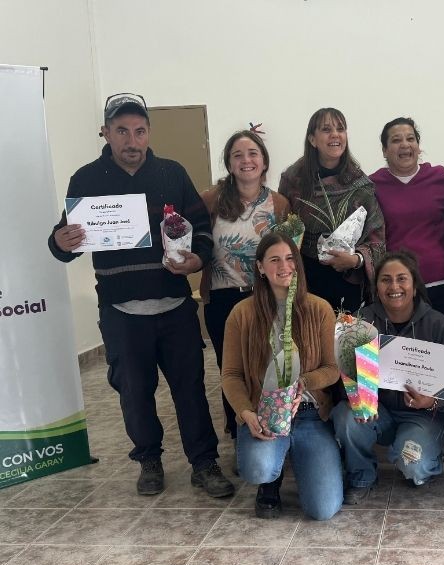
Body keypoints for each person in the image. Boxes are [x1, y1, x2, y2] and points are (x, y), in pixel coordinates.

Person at [47, 93, 234, 498]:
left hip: (175, 306)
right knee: (134, 394)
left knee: (190, 390)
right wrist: (60, 242)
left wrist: (197, 260)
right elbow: (66, 241)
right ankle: (149, 460)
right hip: (121, 311)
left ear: (149, 132)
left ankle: (204, 463)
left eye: (139, 131)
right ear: (105, 132)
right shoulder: (86, 180)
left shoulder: (172, 174)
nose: (131, 141)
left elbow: (201, 230)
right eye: (122, 131)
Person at [221, 232, 342, 520]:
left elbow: (332, 369)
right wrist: (245, 412)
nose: (284, 266)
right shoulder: (241, 313)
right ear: (260, 267)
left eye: (290, 258)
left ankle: (307, 461)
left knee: (323, 510)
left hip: (310, 413)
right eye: (274, 260)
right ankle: (270, 481)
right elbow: (231, 375)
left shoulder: (319, 309)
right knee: (258, 469)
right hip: (263, 414)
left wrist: (304, 383)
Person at [332, 251, 444, 504]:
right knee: (344, 417)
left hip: (425, 415)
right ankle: (362, 476)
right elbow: (343, 375)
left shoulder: (439, 325)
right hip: (378, 412)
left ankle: (428, 455)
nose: (394, 287)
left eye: (402, 279)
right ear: (376, 288)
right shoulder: (361, 324)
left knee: (413, 466)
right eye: (386, 280)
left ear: (415, 287)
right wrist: (358, 396)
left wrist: (434, 400)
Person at [200, 130, 290, 453]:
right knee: (232, 367)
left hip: (266, 296)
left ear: (264, 161)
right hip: (223, 297)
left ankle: (273, 423)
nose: (246, 160)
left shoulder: (279, 203)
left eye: (253, 153)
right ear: (228, 163)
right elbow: (196, 242)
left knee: (267, 362)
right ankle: (239, 429)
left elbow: (286, 251)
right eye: (237, 155)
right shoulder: (211, 200)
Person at [278, 108, 385, 312]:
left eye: (340, 129)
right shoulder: (293, 181)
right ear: (312, 139)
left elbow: (377, 239)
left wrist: (356, 260)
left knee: (351, 332)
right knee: (309, 332)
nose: (335, 134)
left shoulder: (360, 184)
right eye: (326, 129)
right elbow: (284, 230)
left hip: (348, 280)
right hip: (304, 279)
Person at [370, 117, 444, 334]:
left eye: (410, 139)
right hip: (398, 288)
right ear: (384, 150)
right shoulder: (372, 185)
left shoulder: (440, 177)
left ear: (418, 146)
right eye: (396, 140)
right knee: (401, 350)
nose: (405, 145)